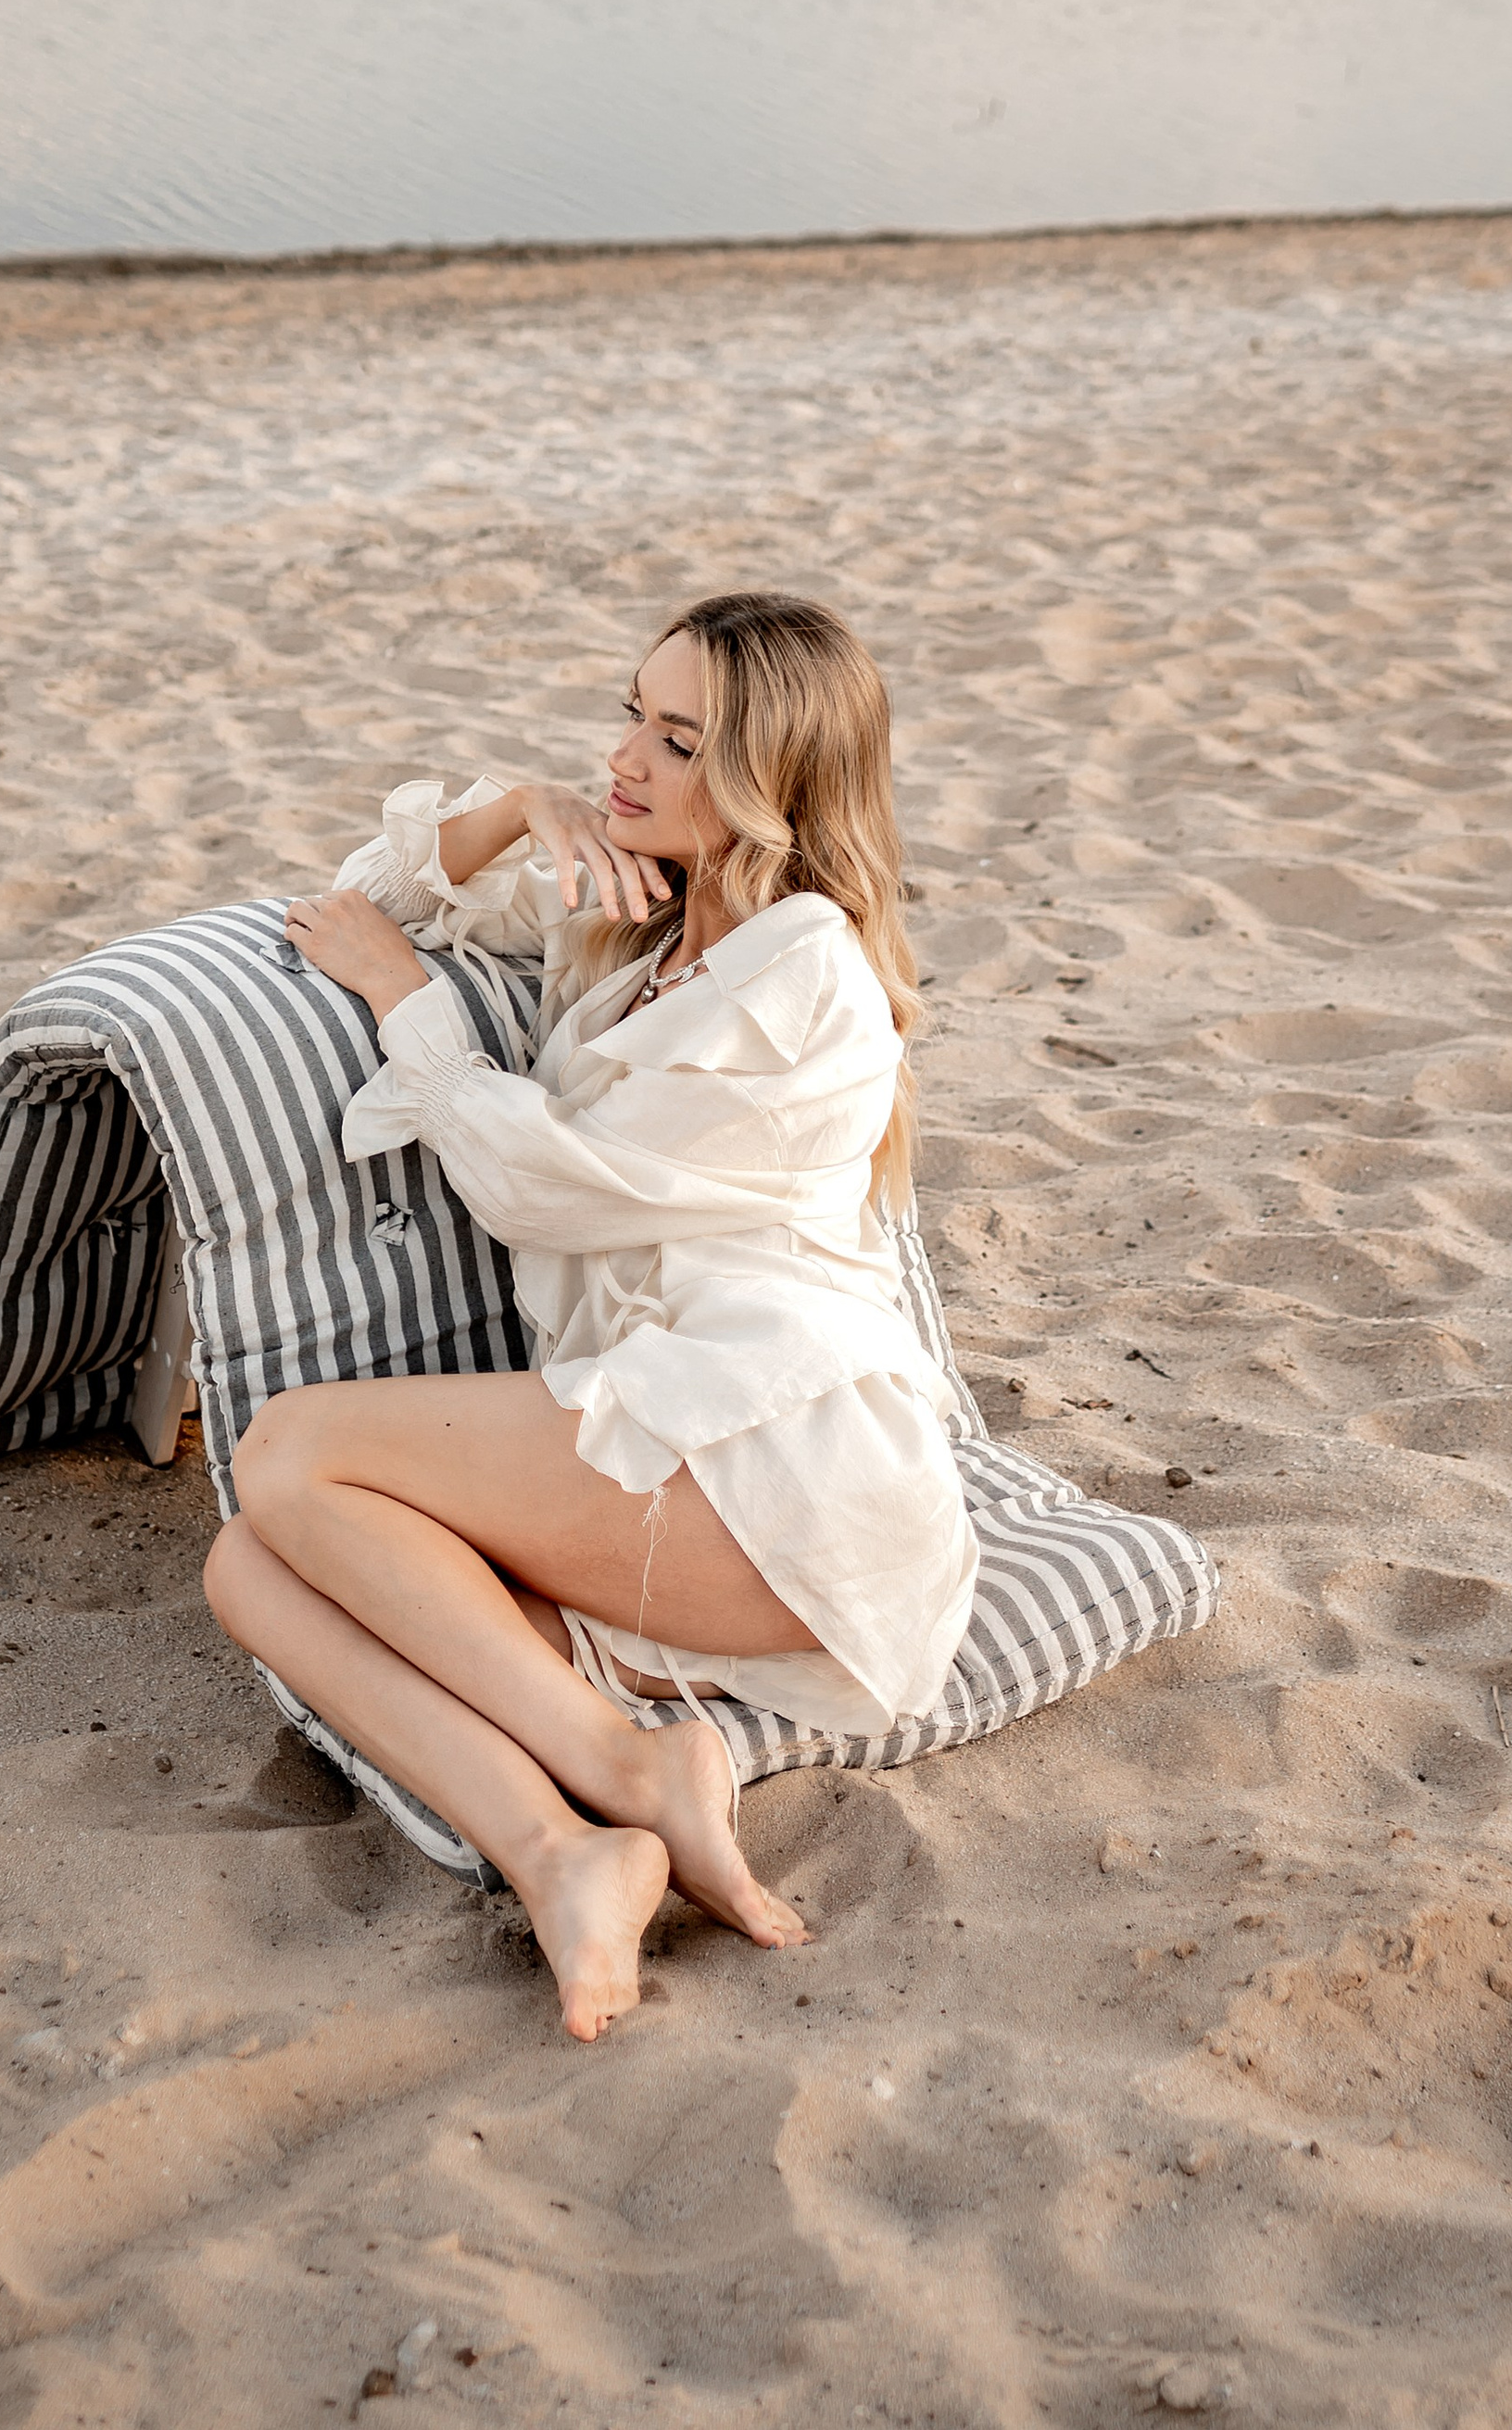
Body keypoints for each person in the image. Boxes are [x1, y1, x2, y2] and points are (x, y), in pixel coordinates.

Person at [202, 592, 974, 2042]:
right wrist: (517, 811)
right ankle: (568, 1844)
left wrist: (408, 1006)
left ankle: (629, 1773)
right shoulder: (644, 912)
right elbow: (366, 890)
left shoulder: (810, 978)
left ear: (771, 784)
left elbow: (551, 1188)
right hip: (657, 1442)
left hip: (779, 1459)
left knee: (290, 1452)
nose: (629, 757)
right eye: (631, 712)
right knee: (250, 1568)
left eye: (680, 741)